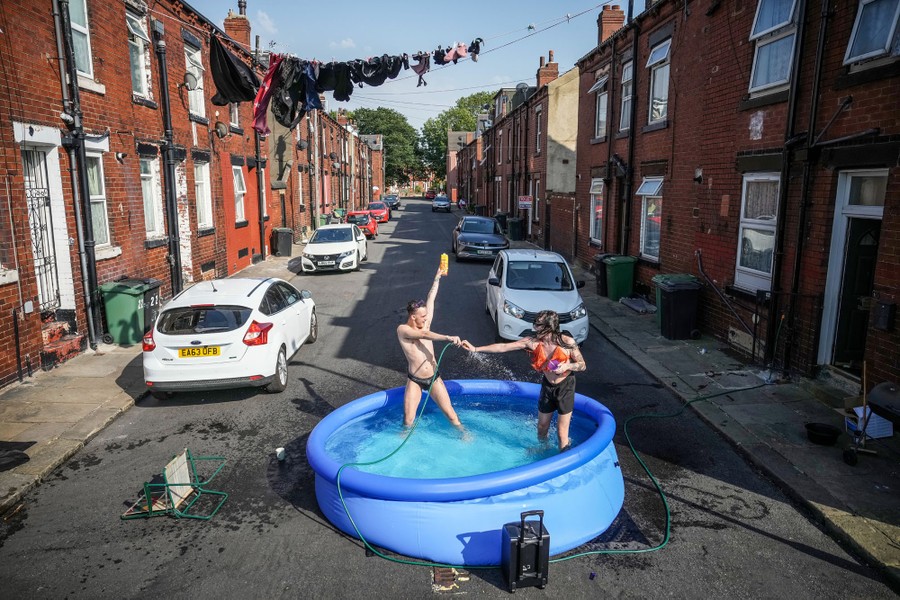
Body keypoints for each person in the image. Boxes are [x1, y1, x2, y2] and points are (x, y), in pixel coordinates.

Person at [462, 310, 585, 450]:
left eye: (538, 325)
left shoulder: (567, 342)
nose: (535, 328)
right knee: (542, 427)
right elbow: (503, 347)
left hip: (565, 387)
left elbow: (582, 365)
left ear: (550, 326)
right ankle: (543, 449)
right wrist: (475, 349)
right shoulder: (532, 342)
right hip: (548, 386)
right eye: (535, 324)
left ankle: (564, 458)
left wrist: (567, 366)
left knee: (562, 433)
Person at [397, 266, 464, 430]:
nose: (426, 319)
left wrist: (437, 278)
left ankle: (464, 436)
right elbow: (424, 335)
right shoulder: (403, 330)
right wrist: (447, 337)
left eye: (427, 315)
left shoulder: (425, 323)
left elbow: (431, 297)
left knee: (451, 414)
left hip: (433, 377)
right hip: (415, 380)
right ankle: (403, 442)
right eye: (423, 316)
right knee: (408, 420)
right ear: (413, 317)